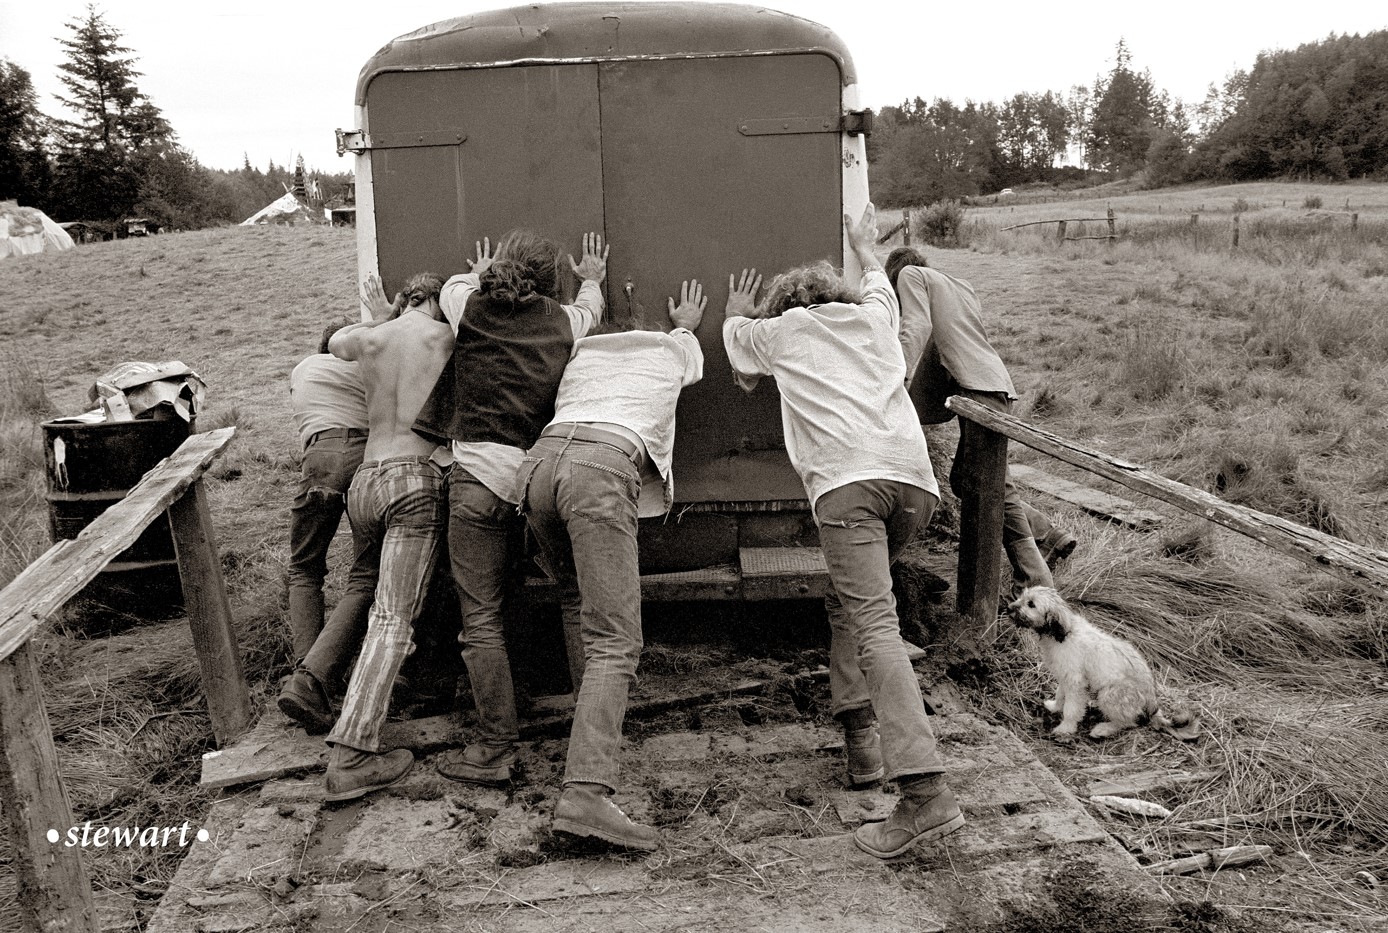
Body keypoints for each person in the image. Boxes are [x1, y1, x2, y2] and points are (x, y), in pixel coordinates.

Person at [722, 204, 963, 859]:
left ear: (789, 306)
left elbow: (736, 342)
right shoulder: (874, 317)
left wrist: (737, 309)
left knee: (874, 623)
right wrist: (862, 245)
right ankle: (862, 740)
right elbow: (881, 282)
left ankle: (924, 792)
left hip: (848, 489)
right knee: (851, 604)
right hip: (913, 488)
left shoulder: (786, 329)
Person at [517, 279, 707, 851]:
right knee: (617, 641)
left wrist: (590, 288)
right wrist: (686, 324)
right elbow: (690, 357)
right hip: (599, 470)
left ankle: (589, 735)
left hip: (539, 467)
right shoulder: (671, 349)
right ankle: (585, 794)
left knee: (577, 602)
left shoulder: (581, 352)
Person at [415, 231, 607, 787]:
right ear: (554, 281)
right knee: (571, 599)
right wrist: (592, 277)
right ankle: (585, 730)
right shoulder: (563, 322)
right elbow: (590, 310)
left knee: (481, 616)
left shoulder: (466, 305)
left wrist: (481, 269)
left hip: (475, 483)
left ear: (499, 268)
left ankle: (496, 745)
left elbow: (454, 284)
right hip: (533, 484)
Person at [319, 272, 455, 802]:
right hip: (412, 479)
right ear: (438, 302)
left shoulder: (373, 338)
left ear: (405, 299)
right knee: (393, 620)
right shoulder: (444, 336)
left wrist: (379, 317)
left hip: (365, 484)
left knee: (376, 602)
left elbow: (334, 342)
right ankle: (351, 754)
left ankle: (349, 698)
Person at [887, 246, 1076, 590]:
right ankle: (1049, 535)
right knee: (966, 479)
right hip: (995, 385)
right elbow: (946, 342)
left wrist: (891, 374)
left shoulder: (908, 276)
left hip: (977, 392)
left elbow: (917, 326)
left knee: (993, 487)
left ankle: (1036, 579)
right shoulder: (959, 286)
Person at [278, 277, 396, 734]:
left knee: (305, 569)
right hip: (366, 458)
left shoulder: (303, 369)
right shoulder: (367, 362)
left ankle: (303, 676)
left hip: (319, 458)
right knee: (365, 575)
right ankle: (318, 678)